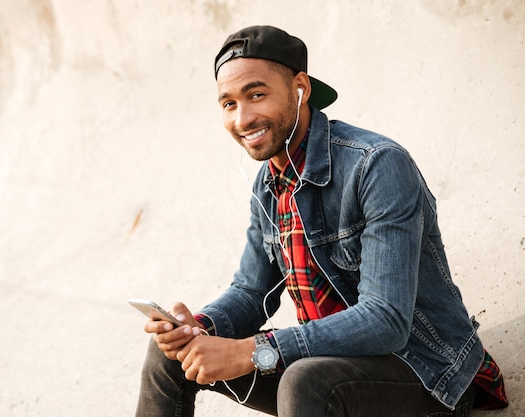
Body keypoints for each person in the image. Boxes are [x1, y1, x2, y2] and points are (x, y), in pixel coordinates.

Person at [134, 25, 508, 417]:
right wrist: (200, 328)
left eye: (256, 95)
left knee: (304, 379)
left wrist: (255, 351)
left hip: (423, 371)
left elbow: (387, 320)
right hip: (325, 363)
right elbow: (250, 292)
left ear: (300, 88)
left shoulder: (376, 165)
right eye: (228, 104)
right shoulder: (268, 184)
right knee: (173, 356)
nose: (242, 118)